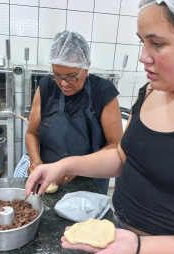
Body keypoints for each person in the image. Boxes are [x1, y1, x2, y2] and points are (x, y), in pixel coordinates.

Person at [25, 0, 174, 254]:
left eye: (157, 43)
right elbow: (122, 156)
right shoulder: (152, 92)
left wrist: (140, 247)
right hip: (122, 241)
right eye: (142, 42)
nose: (143, 56)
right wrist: (64, 165)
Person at [25, 31, 123, 195]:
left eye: (71, 77)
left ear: (86, 67)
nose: (63, 84)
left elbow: (116, 147)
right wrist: (35, 160)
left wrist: (75, 167)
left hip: (91, 186)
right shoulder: (46, 87)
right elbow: (31, 133)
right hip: (47, 183)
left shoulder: (103, 91)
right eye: (57, 75)